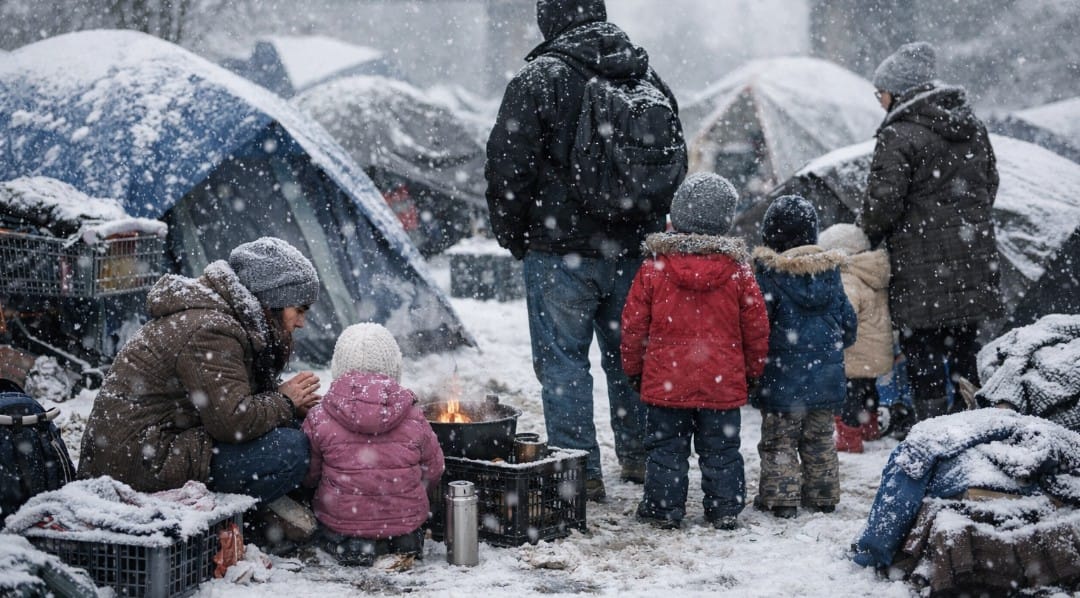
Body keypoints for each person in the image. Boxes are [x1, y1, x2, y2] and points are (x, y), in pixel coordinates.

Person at [484, 0, 686, 501]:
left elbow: (508, 167)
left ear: (549, 21)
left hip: (559, 250)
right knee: (631, 357)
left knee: (562, 365)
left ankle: (578, 472)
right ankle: (640, 453)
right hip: (635, 249)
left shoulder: (540, 79)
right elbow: (671, 164)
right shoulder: (644, 74)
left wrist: (516, 236)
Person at [78, 237, 322, 545]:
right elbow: (232, 421)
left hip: (157, 446)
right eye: (298, 309)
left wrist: (287, 406)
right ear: (271, 301)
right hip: (138, 462)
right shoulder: (210, 329)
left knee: (300, 428)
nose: (301, 322)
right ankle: (247, 523)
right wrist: (284, 400)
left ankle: (262, 510)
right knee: (290, 450)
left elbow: (228, 397)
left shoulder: (222, 318)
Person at [860, 41, 1003, 423]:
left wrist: (866, 236)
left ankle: (931, 434)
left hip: (920, 271)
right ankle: (973, 429)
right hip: (972, 261)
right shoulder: (971, 127)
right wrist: (960, 228)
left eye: (882, 93)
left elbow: (881, 206)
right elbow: (990, 185)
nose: (880, 101)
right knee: (964, 348)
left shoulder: (899, 135)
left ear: (900, 91)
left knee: (922, 351)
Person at [620, 173, 769, 530]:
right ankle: (724, 509)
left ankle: (663, 508)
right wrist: (752, 372)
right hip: (722, 383)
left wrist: (634, 369)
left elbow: (633, 325)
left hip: (666, 381)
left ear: (678, 214)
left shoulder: (654, 268)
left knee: (666, 449)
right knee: (722, 450)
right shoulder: (738, 272)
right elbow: (756, 328)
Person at [301, 323, 444, 567]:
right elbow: (435, 469)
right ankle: (398, 543)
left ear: (338, 367)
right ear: (394, 368)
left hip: (342, 528)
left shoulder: (319, 416)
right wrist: (409, 494)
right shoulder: (413, 414)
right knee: (405, 539)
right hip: (405, 529)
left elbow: (309, 474)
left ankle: (357, 545)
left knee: (326, 530)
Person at [752, 196, 857, 519]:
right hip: (825, 381)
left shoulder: (769, 275)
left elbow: (760, 326)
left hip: (782, 380)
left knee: (780, 442)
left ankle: (782, 499)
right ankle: (823, 495)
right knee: (820, 440)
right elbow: (849, 326)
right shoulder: (829, 274)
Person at [818, 223, 894, 452]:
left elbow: (845, 315)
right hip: (876, 350)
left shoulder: (848, 278)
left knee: (850, 396)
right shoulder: (872, 272)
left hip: (854, 351)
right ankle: (870, 428)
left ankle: (849, 439)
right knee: (869, 389)